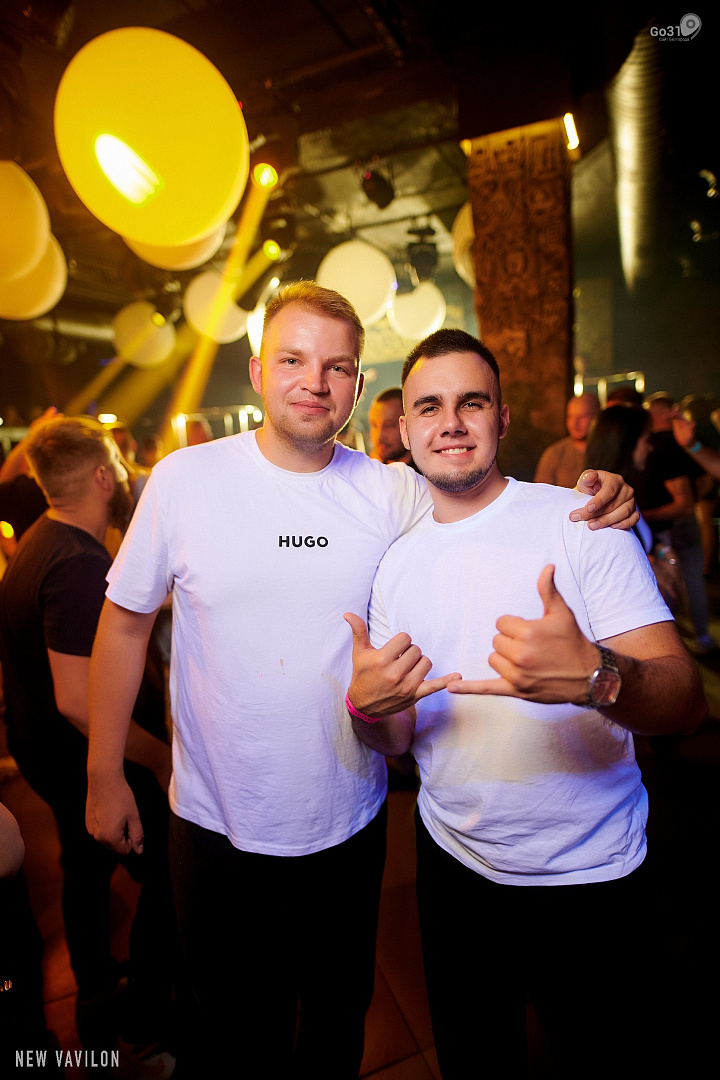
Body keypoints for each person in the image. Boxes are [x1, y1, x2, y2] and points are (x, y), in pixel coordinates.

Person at [85, 283, 638, 1079]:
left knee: (336, 1023)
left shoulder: (392, 488)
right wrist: (103, 774)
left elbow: (482, 496)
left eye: (337, 366)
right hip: (214, 821)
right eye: (293, 360)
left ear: (356, 382)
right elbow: (124, 624)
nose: (315, 381)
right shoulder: (184, 481)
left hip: (346, 820)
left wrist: (604, 496)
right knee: (235, 1033)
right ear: (258, 370)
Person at [344, 329, 706, 1080]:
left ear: (502, 418)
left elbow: (685, 700)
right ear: (404, 429)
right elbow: (398, 738)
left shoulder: (581, 522)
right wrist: (367, 709)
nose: (451, 423)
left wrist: (599, 678)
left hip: (590, 873)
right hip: (454, 869)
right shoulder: (394, 564)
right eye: (429, 407)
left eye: (471, 403)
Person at [0, 417, 176, 1061]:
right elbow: (78, 701)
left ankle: (96, 990)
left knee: (83, 865)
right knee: (168, 870)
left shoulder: (42, 538)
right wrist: (160, 758)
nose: (126, 477)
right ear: (104, 476)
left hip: (45, 755)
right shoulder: (75, 563)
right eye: (119, 468)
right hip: (84, 760)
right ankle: (145, 1017)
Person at [643, 392, 716, 653]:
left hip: (664, 524)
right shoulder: (680, 441)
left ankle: (671, 645)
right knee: (689, 578)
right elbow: (706, 478)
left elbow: (686, 498)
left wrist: (644, 515)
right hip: (679, 520)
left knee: (666, 582)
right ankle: (701, 637)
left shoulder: (655, 444)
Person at [533, 392, 599, 487]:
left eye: (582, 417)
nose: (574, 423)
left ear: (596, 417)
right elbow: (541, 492)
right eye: (570, 416)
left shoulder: (609, 452)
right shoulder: (554, 454)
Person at [368, 387, 416, 467]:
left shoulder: (427, 472)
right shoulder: (370, 469)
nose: (379, 437)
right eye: (374, 425)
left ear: (407, 424)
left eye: (388, 425)